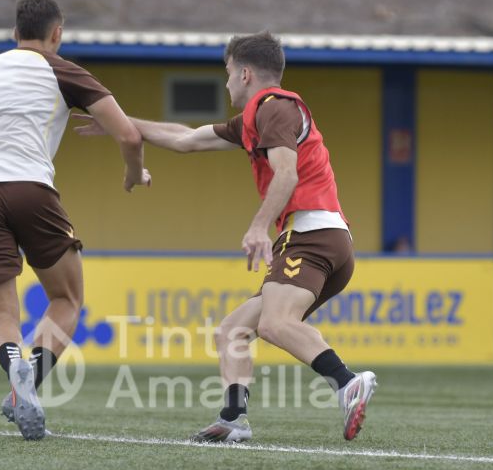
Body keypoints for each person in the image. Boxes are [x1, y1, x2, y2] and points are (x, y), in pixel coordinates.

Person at [75, 32, 376, 442]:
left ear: (246, 73)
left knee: (274, 323)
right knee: (233, 329)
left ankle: (347, 383)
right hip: (326, 238)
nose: (228, 81)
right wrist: (119, 125)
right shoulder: (256, 118)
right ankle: (234, 418)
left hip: (310, 235)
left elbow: (287, 174)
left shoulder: (275, 108)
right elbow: (185, 139)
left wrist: (257, 227)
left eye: (230, 72)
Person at [0, 0, 150, 440]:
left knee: (1, 318)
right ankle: (26, 384)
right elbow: (128, 134)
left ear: (14, 34)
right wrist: (133, 174)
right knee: (67, 299)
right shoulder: (62, 68)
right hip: (30, 189)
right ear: (57, 34)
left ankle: (15, 370)